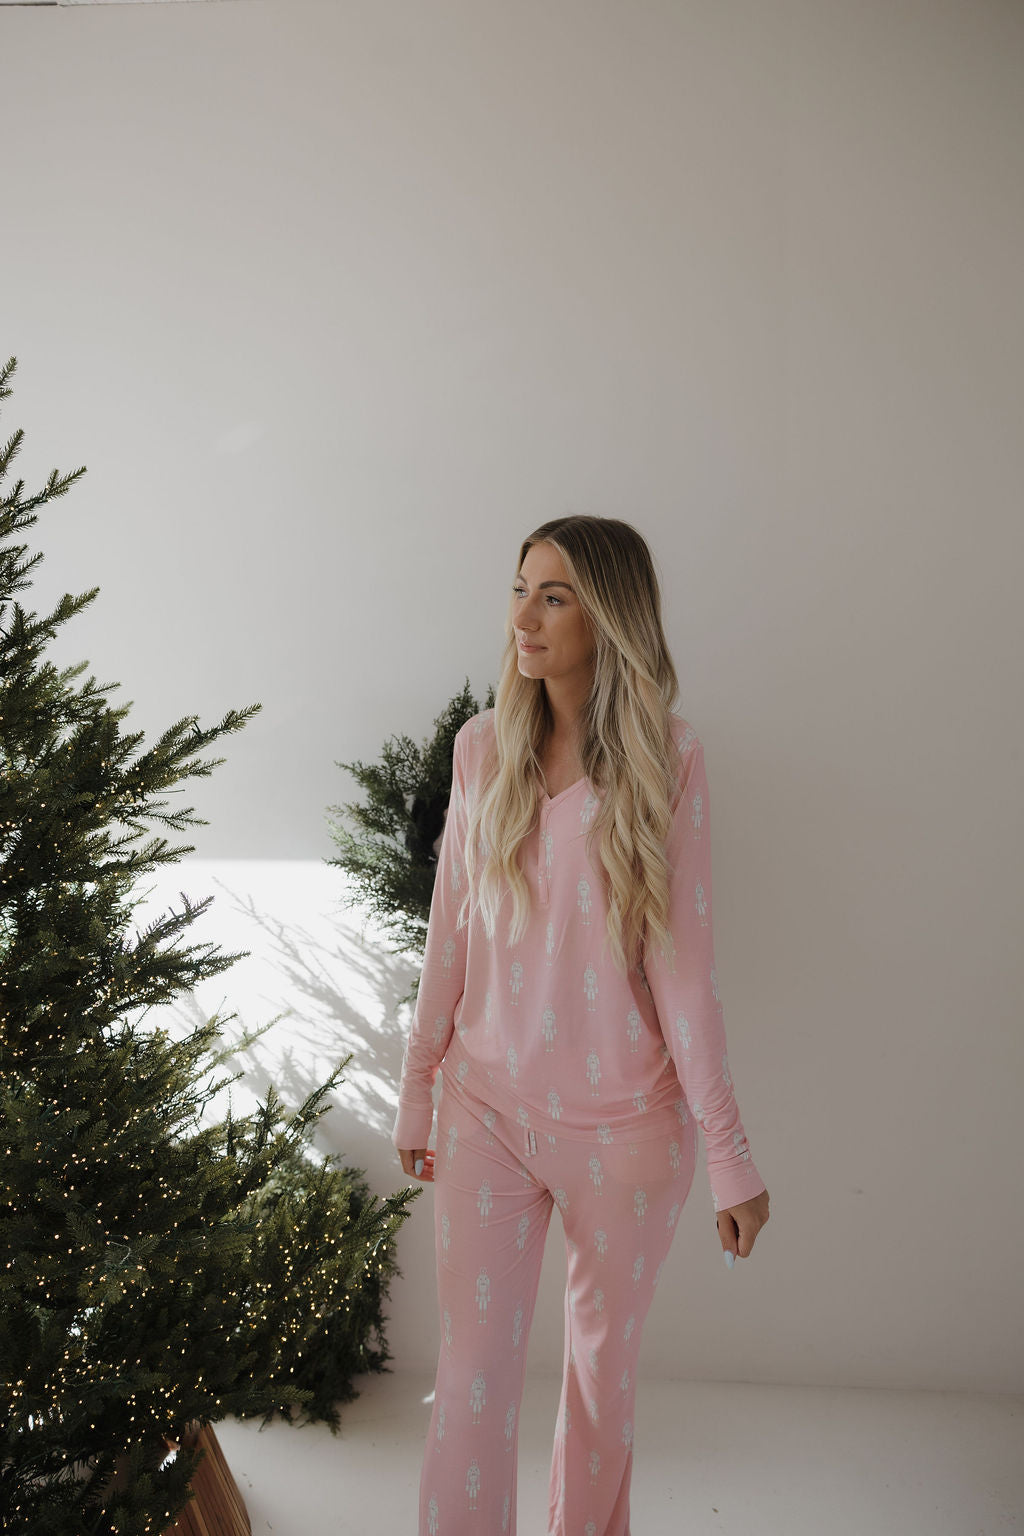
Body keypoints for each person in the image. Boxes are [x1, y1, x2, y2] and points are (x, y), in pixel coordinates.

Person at [394, 515, 770, 1536]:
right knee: (470, 1381)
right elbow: (450, 939)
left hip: (627, 1132)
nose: (524, 615)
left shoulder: (669, 761)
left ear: (607, 616)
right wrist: (419, 1083)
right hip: (483, 1110)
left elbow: (683, 972)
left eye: (553, 595)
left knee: (600, 1382)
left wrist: (729, 1155)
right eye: (519, 587)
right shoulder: (483, 749)